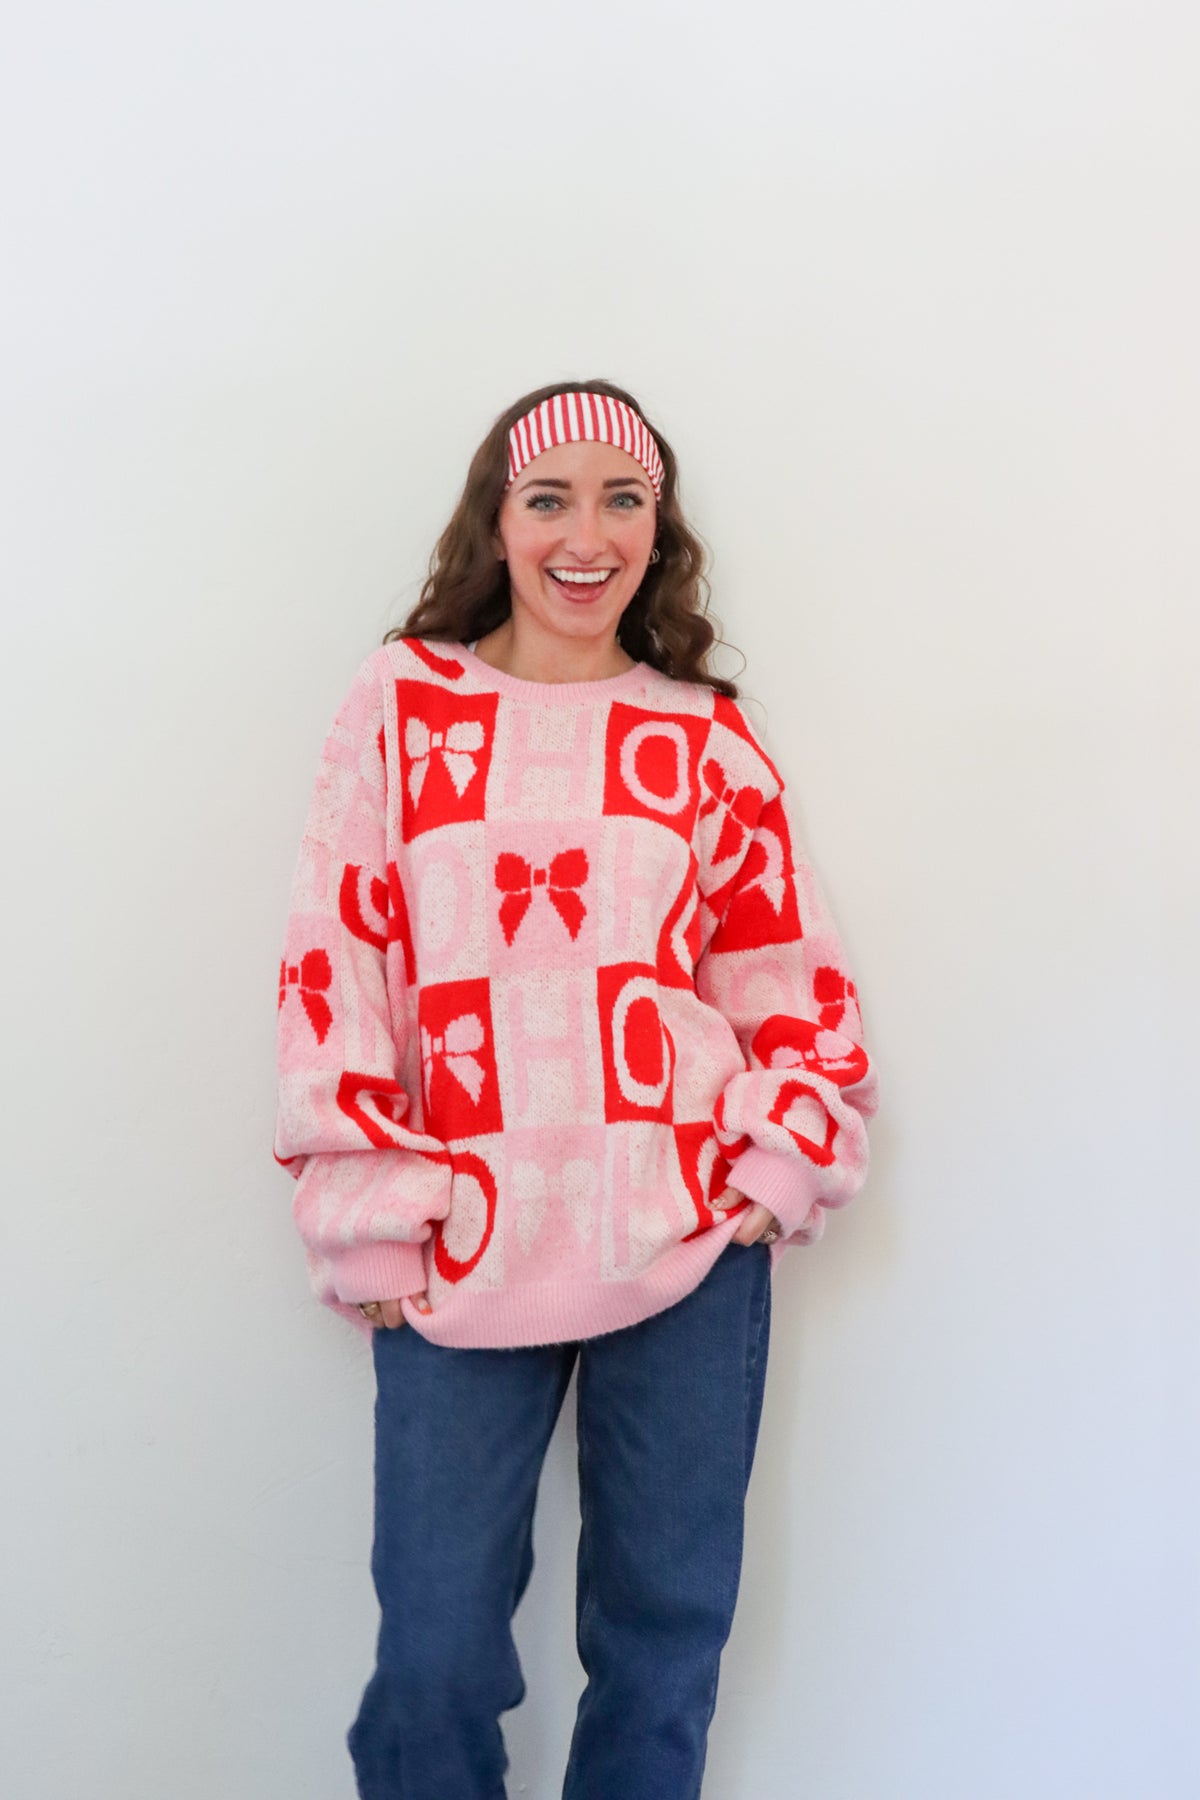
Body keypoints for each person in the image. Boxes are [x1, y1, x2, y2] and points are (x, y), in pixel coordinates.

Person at [273, 379, 877, 1798]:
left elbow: (787, 970)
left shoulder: (704, 739)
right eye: (550, 498)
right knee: (432, 1656)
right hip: (461, 1235)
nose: (585, 534)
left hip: (679, 1240)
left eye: (625, 500)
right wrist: (364, 1203)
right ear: (498, 520)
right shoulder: (405, 706)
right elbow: (336, 952)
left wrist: (776, 1165)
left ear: (658, 533)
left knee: (665, 1644)